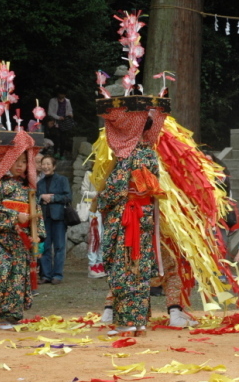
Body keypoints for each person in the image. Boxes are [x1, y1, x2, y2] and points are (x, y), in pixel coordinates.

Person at [97, 115, 164, 336]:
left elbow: (115, 190)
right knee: (140, 269)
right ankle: (139, 321)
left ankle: (126, 322)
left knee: (122, 269)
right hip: (144, 216)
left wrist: (101, 200)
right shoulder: (150, 154)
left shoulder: (127, 156)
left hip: (127, 217)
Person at [0, 132, 45, 329]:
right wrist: (15, 217)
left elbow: (36, 210)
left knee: (17, 276)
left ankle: (11, 315)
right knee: (1, 272)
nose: (21, 165)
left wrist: (37, 232)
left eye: (24, 161)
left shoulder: (27, 188)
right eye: (16, 160)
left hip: (21, 241)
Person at [37, 155, 71, 285]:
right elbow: (36, 199)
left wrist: (52, 198)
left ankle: (57, 275)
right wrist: (41, 198)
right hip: (44, 218)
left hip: (59, 217)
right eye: (43, 164)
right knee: (45, 246)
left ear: (54, 166)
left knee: (59, 247)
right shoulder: (39, 183)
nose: (45, 166)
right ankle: (46, 275)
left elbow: (68, 197)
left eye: (48, 164)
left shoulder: (62, 180)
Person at [80, 168, 105, 279]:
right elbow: (83, 191)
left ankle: (100, 263)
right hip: (93, 208)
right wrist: (97, 194)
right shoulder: (89, 174)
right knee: (95, 236)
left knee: (103, 236)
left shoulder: (107, 173)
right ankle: (92, 265)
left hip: (105, 208)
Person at [47, 90, 74, 159]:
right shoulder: (53, 101)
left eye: (63, 94)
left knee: (63, 139)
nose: (62, 96)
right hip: (55, 121)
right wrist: (58, 117)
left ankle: (62, 154)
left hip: (64, 121)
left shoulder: (67, 101)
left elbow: (69, 110)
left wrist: (70, 114)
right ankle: (55, 153)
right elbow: (50, 112)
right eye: (61, 94)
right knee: (56, 138)